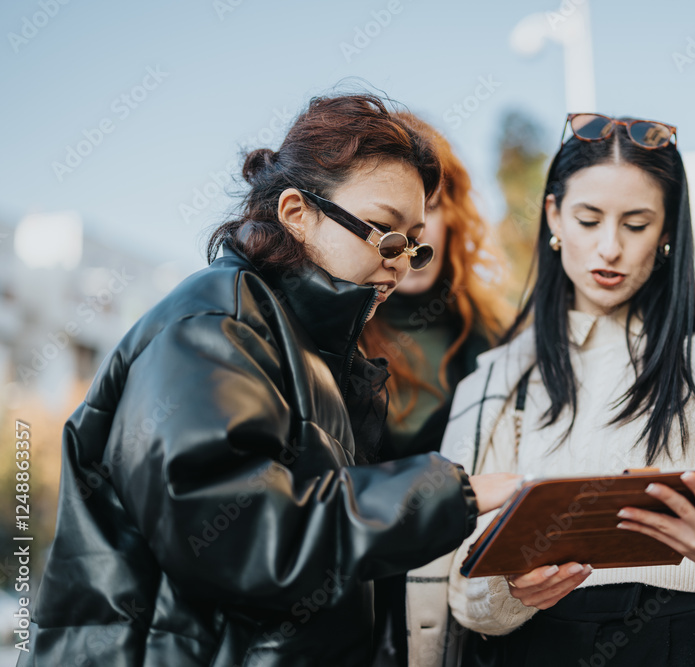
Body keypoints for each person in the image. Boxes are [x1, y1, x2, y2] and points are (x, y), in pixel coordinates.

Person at [18, 93, 520, 667]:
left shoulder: (308, 348)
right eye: (382, 231)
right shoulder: (215, 324)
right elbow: (235, 532)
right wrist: (449, 493)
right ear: (295, 212)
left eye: (413, 244)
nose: (399, 262)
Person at [406, 114, 695, 666]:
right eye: (588, 219)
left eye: (636, 224)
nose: (609, 248)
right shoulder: (493, 380)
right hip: (540, 649)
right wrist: (510, 592)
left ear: (668, 232)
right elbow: (460, 601)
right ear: (554, 216)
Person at [359, 112, 513, 667]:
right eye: (389, 219)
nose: (412, 236)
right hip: (363, 611)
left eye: (432, 207)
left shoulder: (499, 335)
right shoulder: (329, 330)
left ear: (457, 214)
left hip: (479, 602)